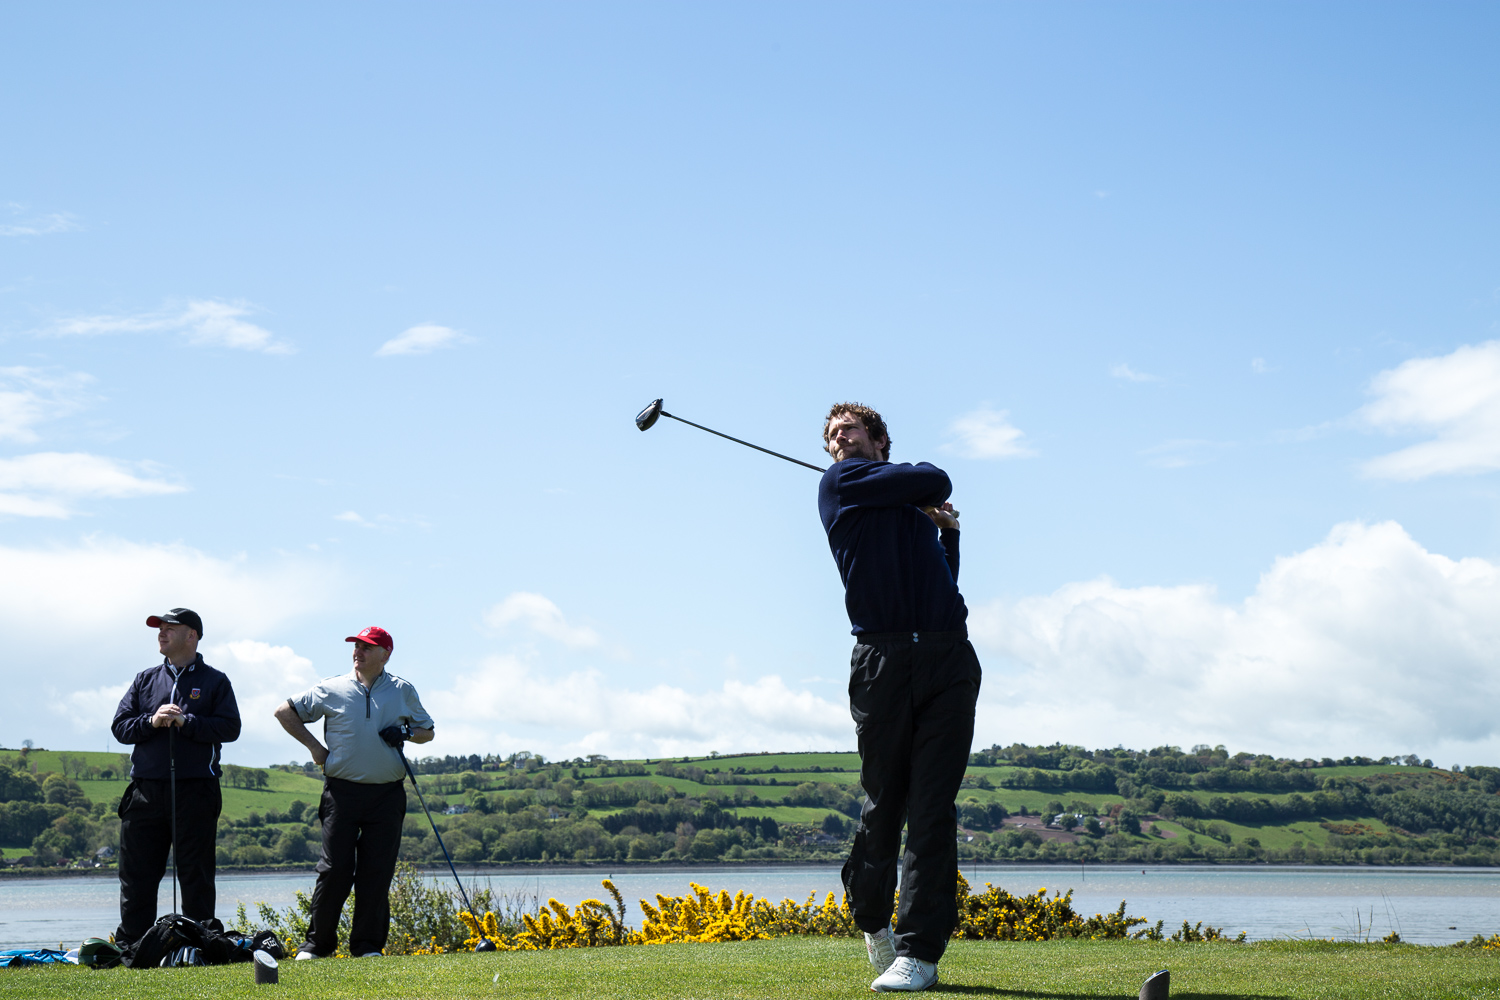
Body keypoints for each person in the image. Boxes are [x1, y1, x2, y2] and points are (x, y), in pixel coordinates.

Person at [818, 403, 981, 993]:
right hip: (881, 660)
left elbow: (942, 583)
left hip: (947, 657)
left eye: (851, 430)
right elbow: (937, 476)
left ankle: (919, 954)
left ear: (879, 439)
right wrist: (920, 498)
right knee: (885, 803)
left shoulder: (910, 508)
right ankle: (870, 915)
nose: (840, 440)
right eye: (833, 435)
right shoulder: (842, 485)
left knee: (933, 808)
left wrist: (946, 535)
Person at [274, 626, 434, 959]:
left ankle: (367, 947)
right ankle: (317, 946)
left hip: (387, 795)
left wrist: (405, 732)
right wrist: (315, 747)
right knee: (334, 870)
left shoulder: (402, 690)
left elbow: (427, 731)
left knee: (376, 872)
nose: (358, 652)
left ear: (385, 655)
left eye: (367, 647)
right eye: (356, 646)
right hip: (342, 793)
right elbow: (284, 712)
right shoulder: (331, 688)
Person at [111, 608, 241, 946]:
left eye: (170, 627)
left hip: (196, 790)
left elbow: (230, 728)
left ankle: (201, 944)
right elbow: (120, 727)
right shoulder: (144, 680)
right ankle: (133, 946)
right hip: (145, 791)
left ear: (191, 635)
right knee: (137, 874)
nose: (162, 633)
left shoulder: (215, 681)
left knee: (196, 873)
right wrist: (151, 721)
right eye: (160, 628)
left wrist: (188, 722)